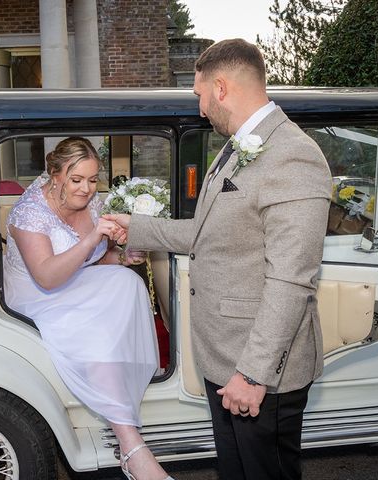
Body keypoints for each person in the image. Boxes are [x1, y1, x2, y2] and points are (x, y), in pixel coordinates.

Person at [105, 39, 332, 480]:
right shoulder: (233, 148)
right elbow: (209, 235)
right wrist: (135, 227)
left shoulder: (294, 156)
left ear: (222, 88)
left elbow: (291, 279)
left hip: (261, 368)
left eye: (200, 94)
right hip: (222, 355)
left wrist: (252, 374)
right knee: (234, 470)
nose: (201, 108)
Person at [3, 137, 174, 480]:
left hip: (74, 281)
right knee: (96, 329)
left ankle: (127, 388)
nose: (86, 189)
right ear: (55, 175)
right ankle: (131, 446)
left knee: (127, 283)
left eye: (93, 180)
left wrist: (125, 257)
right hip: (37, 294)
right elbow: (48, 276)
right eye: (76, 179)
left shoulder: (93, 202)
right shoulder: (29, 213)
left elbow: (99, 261)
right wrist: (94, 237)